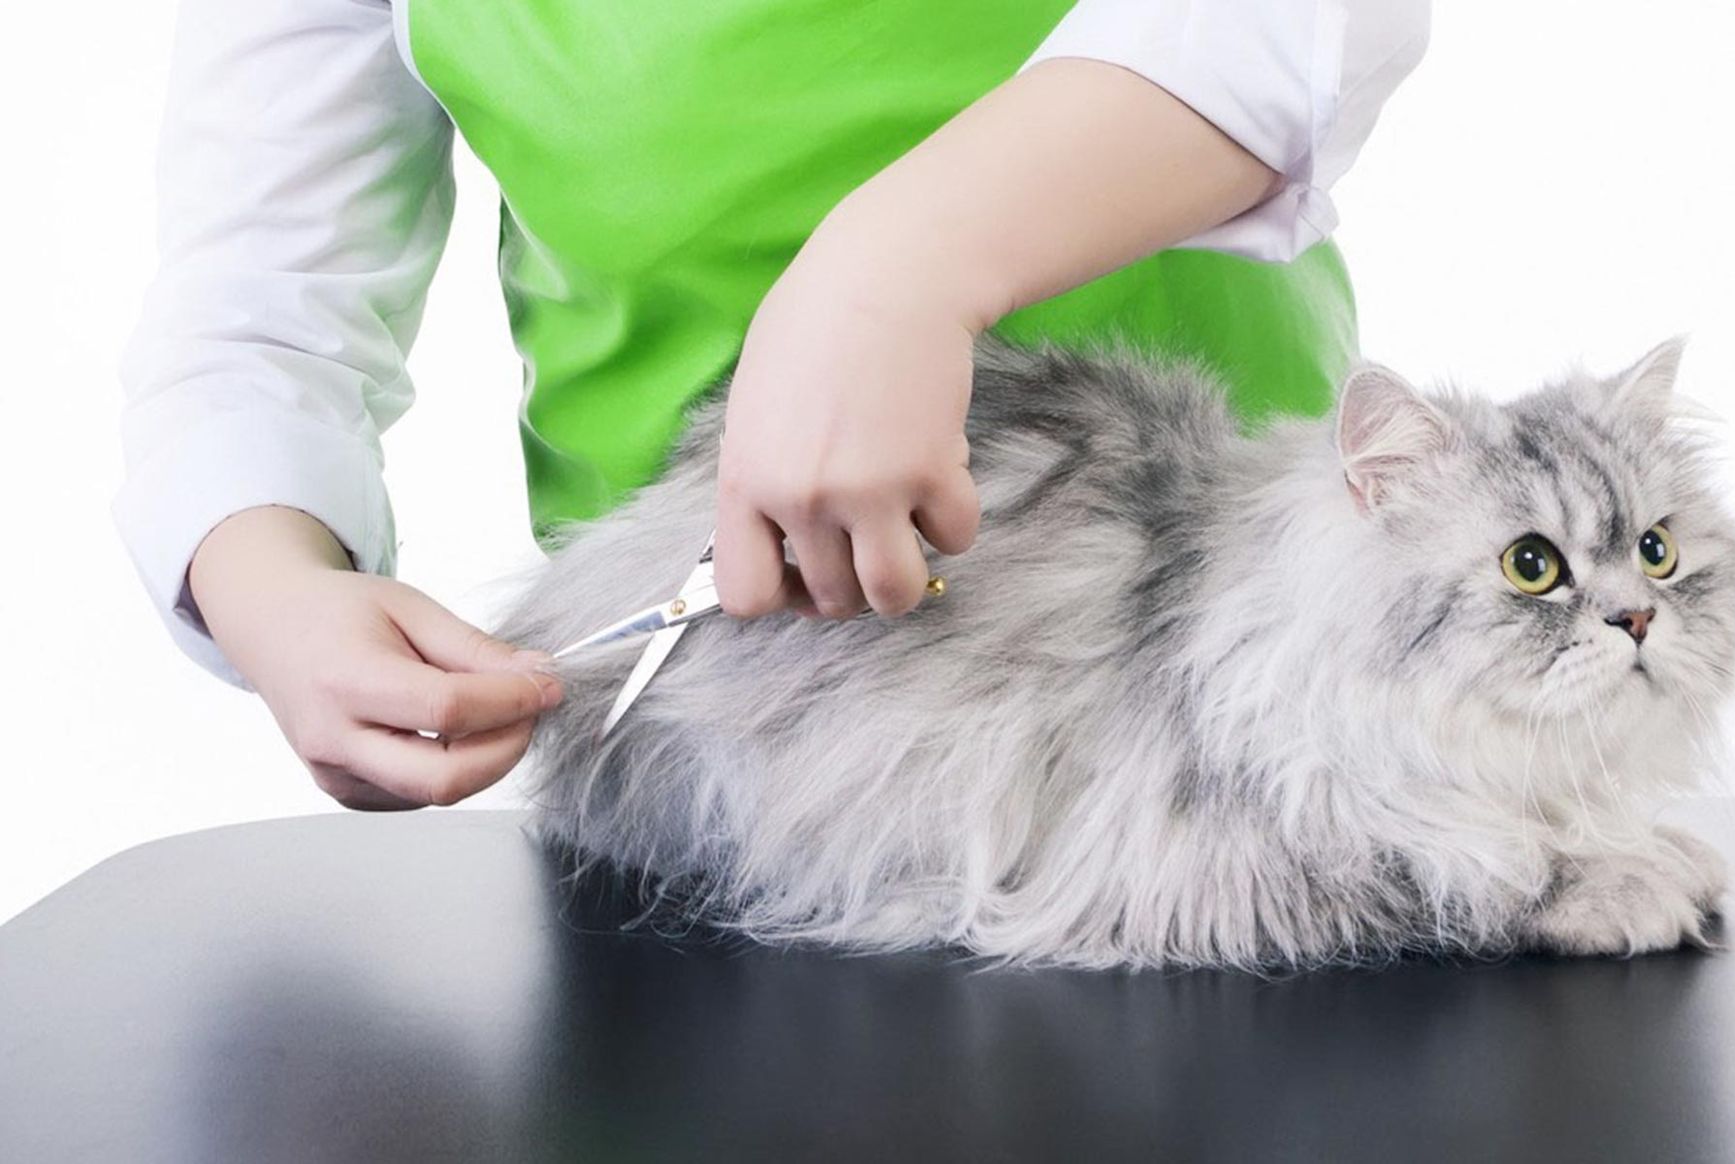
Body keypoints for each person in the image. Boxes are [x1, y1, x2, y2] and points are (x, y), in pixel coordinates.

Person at [115, 0, 1430, 811]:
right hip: (706, 762)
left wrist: (903, 266)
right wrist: (275, 591)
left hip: (1229, 730)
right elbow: (258, 317)